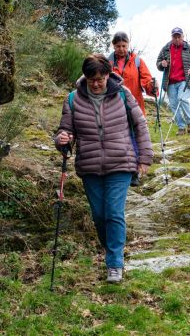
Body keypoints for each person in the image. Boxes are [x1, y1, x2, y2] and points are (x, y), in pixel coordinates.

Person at [54, 54, 153, 283]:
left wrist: (145, 158)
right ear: (85, 78)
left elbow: (140, 124)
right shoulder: (72, 100)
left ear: (108, 75)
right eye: (92, 80)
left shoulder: (122, 94)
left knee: (114, 213)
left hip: (121, 162)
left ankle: (115, 264)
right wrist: (62, 139)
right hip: (89, 166)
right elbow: (65, 131)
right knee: (99, 216)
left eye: (100, 79)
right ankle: (111, 251)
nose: (97, 84)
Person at [109, 31, 156, 186]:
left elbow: (146, 80)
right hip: (113, 107)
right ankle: (120, 169)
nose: (121, 49)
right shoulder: (108, 63)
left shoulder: (137, 61)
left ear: (128, 44)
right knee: (121, 139)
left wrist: (152, 87)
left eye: (124, 45)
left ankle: (134, 173)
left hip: (134, 105)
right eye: (118, 46)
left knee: (135, 137)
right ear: (113, 46)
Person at [156, 27, 190, 136]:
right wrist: (162, 64)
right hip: (170, 83)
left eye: (179, 36)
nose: (177, 39)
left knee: (182, 99)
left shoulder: (189, 49)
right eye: (175, 37)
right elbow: (158, 63)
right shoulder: (166, 49)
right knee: (173, 105)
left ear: (183, 37)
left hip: (184, 80)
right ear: (172, 37)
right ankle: (181, 127)